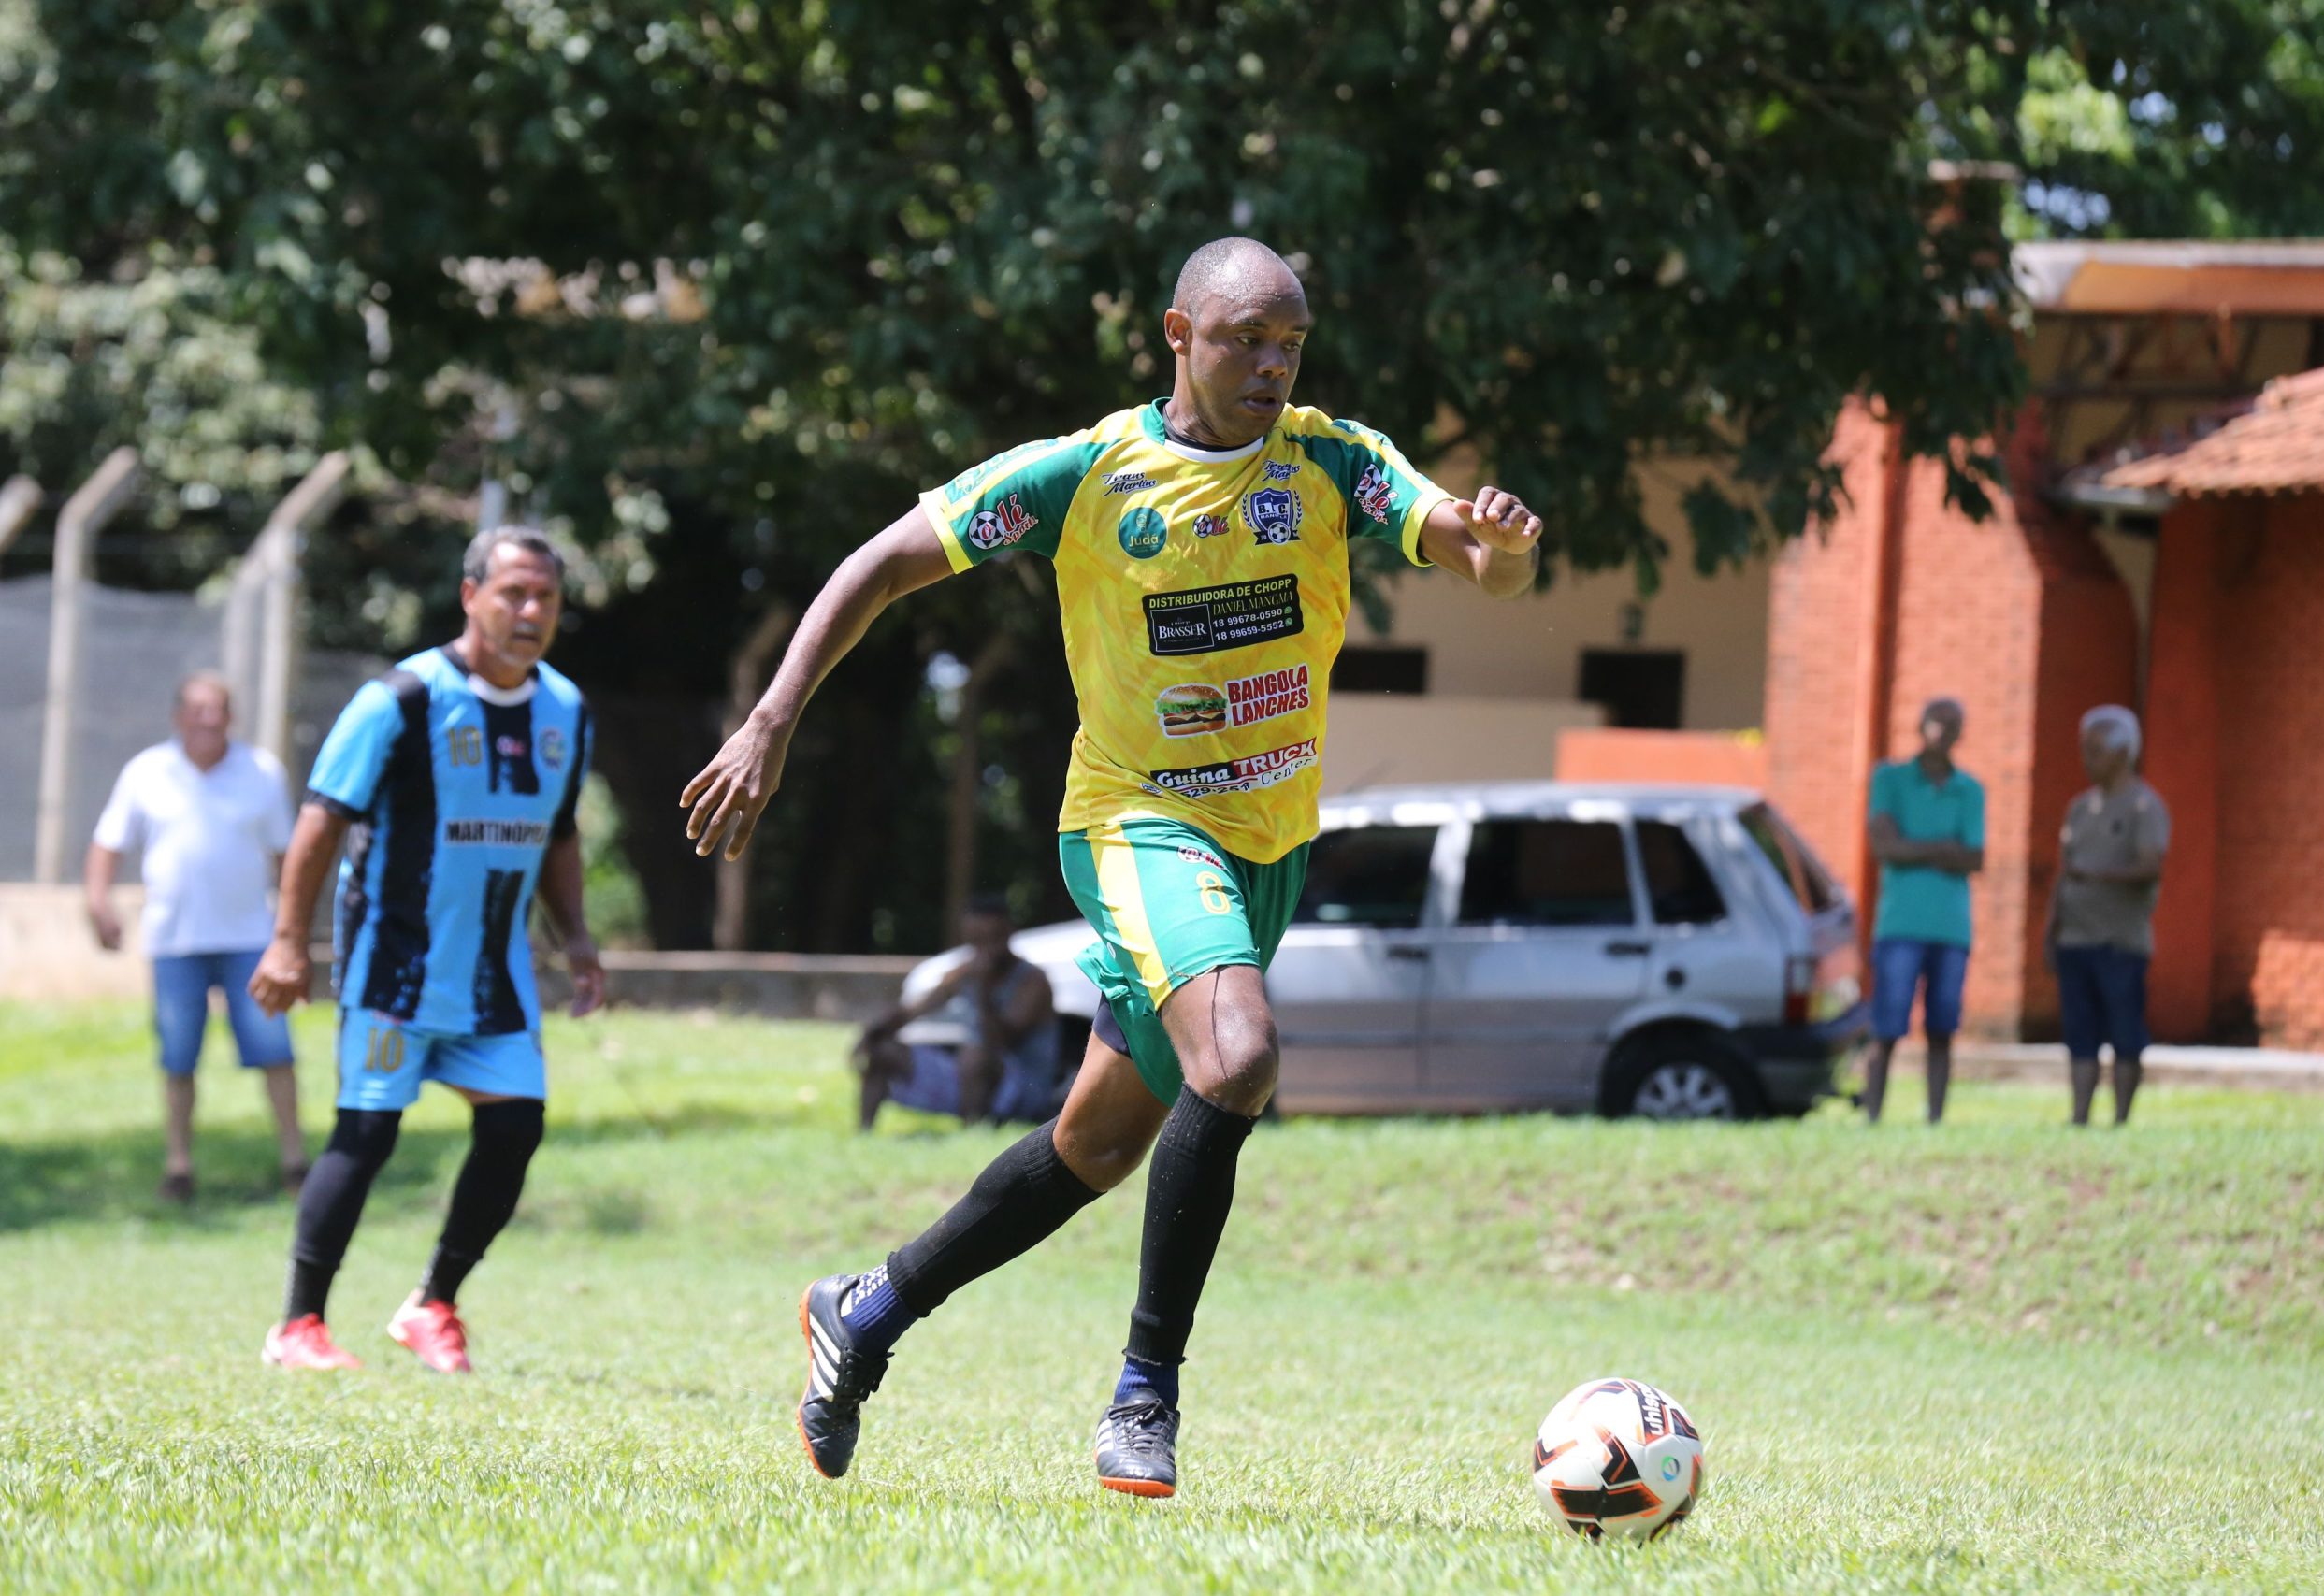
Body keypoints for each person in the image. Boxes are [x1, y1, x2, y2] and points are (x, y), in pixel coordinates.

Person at [679, 237, 1543, 1498]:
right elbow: (879, 563)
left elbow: (1480, 559)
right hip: (1138, 825)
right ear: (1178, 334)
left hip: (1267, 847)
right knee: (1237, 1055)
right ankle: (1146, 1390)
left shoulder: (1332, 459)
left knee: (1092, 1145)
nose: (1272, 364)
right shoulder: (1081, 474)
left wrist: (1508, 544)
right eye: (1247, 338)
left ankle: (866, 1308)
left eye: (1291, 344)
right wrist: (770, 718)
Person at [248, 527, 606, 1373]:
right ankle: (299, 1325)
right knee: (367, 1133)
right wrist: (290, 943)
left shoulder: (565, 710)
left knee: (516, 1126)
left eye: (545, 597)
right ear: (469, 594)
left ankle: (432, 1303)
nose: (529, 611)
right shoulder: (401, 700)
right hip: (395, 966)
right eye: (513, 592)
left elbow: (558, 834)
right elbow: (320, 821)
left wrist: (578, 936)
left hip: (497, 977)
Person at [84, 671, 307, 1202]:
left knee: (275, 1049)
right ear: (178, 715)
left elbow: (286, 853)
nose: (208, 719)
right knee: (178, 1057)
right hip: (174, 940)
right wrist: (98, 902)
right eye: (197, 709)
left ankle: (296, 1162)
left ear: (232, 717)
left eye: (218, 709)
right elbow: (107, 842)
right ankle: (179, 1167)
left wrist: (292, 931)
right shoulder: (148, 772)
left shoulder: (261, 772)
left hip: (251, 939)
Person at [1861, 697, 1985, 1125]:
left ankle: (1935, 1118)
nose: (1942, 731)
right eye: (1936, 722)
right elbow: (1884, 847)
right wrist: (1942, 847)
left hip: (1951, 928)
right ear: (1920, 725)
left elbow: (1973, 857)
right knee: (1887, 1026)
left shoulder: (1970, 789)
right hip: (1899, 924)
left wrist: (1913, 846)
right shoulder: (1889, 779)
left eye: (1952, 724)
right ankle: (1872, 1116)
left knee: (1942, 1029)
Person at [2048, 705, 2169, 1127]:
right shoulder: (2080, 808)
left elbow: (2151, 866)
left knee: (2124, 1032)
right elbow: (2064, 874)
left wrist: (2096, 875)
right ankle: (2079, 1116)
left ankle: (2121, 1120)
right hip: (2075, 940)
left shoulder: (2144, 806)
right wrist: (2053, 930)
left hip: (2120, 943)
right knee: (2080, 1034)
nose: (2085, 758)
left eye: (2094, 750)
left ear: (2123, 753)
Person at [857, 895, 1060, 1130]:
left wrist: (983, 993)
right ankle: (864, 1133)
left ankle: (971, 1130)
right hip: (971, 1078)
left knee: (974, 1056)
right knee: (884, 1049)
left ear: (1008, 934)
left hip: (1024, 1087)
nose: (983, 949)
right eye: (975, 941)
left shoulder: (1033, 981)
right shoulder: (964, 973)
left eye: (991, 939)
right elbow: (914, 1008)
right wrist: (873, 1033)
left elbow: (1002, 1041)